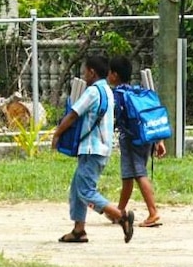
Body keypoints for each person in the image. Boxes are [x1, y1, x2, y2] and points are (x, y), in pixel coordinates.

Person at [51, 55, 135, 244]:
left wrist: (57, 134)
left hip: (91, 149)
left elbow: (73, 115)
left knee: (86, 190)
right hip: (102, 148)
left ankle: (120, 216)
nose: (84, 75)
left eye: (85, 71)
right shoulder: (107, 90)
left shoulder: (92, 92)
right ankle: (79, 230)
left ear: (92, 72)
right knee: (77, 189)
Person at [107, 56, 166, 228]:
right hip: (143, 138)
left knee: (140, 174)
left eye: (109, 73)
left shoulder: (117, 95)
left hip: (131, 140)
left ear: (115, 75)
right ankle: (119, 212)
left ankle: (153, 212)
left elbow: (112, 117)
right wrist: (158, 140)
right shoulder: (136, 92)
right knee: (127, 177)